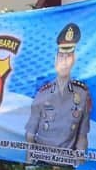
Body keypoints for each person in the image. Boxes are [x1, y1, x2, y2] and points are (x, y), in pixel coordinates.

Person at [25, 22, 92, 159]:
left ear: (74, 60)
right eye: (61, 56)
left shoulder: (82, 94)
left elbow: (82, 135)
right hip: (42, 160)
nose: (64, 62)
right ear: (55, 60)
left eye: (68, 56)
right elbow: (30, 134)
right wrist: (29, 161)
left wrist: (79, 164)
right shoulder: (43, 93)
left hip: (67, 161)